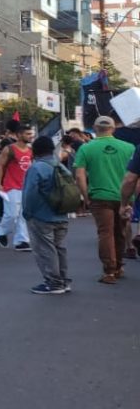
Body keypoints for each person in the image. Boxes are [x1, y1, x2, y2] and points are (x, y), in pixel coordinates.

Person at [75, 116, 135, 284]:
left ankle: (109, 271)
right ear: (113, 128)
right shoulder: (129, 147)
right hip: (124, 196)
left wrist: (85, 196)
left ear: (94, 128)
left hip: (99, 196)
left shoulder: (86, 148)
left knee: (105, 233)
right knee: (120, 231)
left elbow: (79, 175)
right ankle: (119, 266)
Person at [24, 136, 72, 295]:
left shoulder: (37, 168)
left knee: (45, 249)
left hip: (42, 216)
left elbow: (30, 194)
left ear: (35, 151)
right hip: (62, 214)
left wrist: (27, 213)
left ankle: (53, 283)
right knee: (59, 248)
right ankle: (64, 280)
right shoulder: (61, 166)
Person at [0, 121, 36, 251]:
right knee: (11, 214)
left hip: (26, 187)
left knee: (23, 215)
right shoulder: (10, 149)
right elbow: (0, 166)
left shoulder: (31, 150)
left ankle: (21, 241)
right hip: (11, 186)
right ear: (19, 135)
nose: (31, 136)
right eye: (28, 134)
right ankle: (1, 232)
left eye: (31, 134)